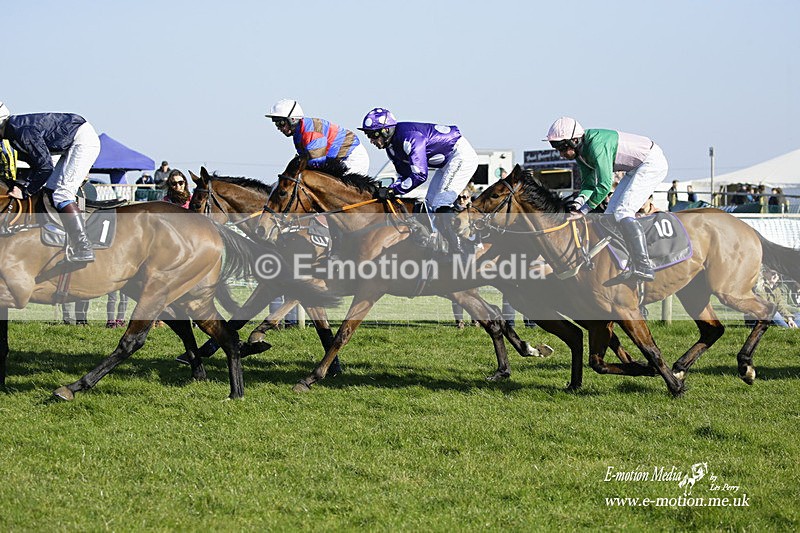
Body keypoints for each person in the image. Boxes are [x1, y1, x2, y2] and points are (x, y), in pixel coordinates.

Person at [545, 117, 669, 282]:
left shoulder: (597, 146)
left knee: (624, 211)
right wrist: (578, 203)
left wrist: (584, 211)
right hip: (634, 168)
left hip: (651, 163)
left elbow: (604, 185)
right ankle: (625, 262)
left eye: (562, 147)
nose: (560, 153)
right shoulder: (580, 153)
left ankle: (644, 265)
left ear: (575, 140)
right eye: (556, 148)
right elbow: (589, 184)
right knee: (609, 215)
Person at [358, 107, 479, 253]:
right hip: (446, 164)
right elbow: (405, 176)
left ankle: (460, 248)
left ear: (386, 131)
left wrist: (392, 190)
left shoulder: (409, 138)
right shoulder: (391, 149)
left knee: (441, 203)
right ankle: (439, 243)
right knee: (430, 204)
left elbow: (420, 175)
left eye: (373, 135)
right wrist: (390, 189)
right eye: (368, 135)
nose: (371, 140)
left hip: (460, 156)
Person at [0, 101, 100, 262]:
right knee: (50, 191)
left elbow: (45, 167)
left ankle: (84, 246)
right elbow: (39, 165)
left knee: (62, 194)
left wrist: (25, 191)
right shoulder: (13, 132)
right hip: (69, 141)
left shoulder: (18, 131)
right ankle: (59, 237)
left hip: (81, 140)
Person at [265, 99, 369, 175]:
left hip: (352, 158)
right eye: (276, 124)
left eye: (281, 123)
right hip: (338, 160)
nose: (279, 128)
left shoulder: (310, 133)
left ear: (293, 119)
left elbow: (317, 164)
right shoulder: (298, 135)